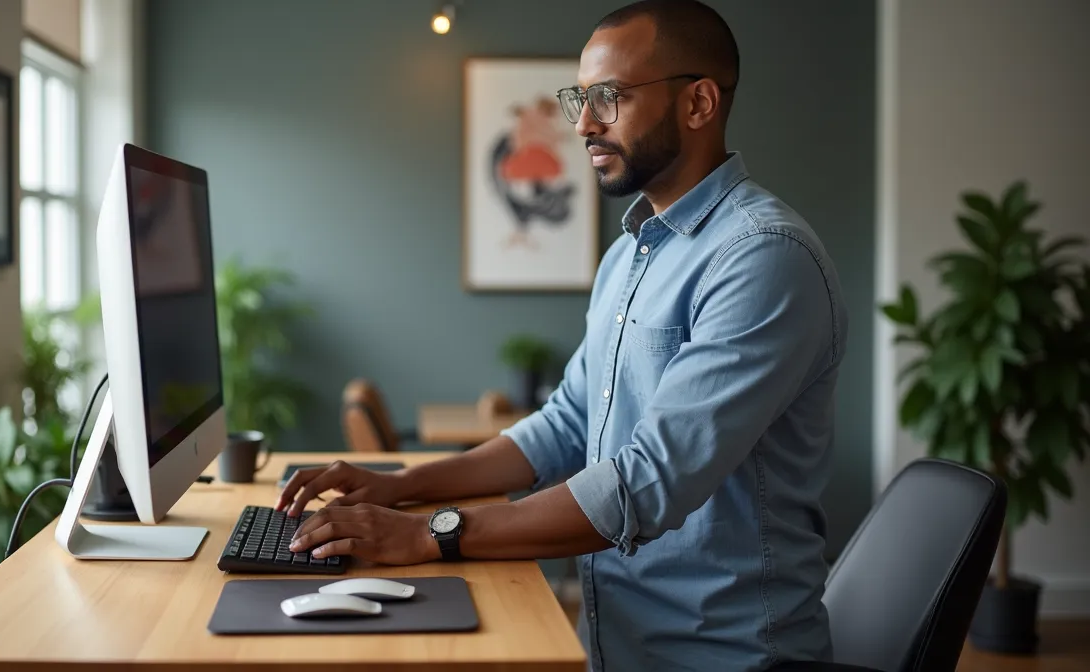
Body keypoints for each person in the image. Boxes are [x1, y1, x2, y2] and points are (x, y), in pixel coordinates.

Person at [277, 1, 848, 669]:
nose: (582, 124)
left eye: (609, 97)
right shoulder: (632, 253)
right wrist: (403, 485)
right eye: (580, 97)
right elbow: (566, 425)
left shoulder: (762, 256)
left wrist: (432, 533)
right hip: (618, 643)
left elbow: (649, 480)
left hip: (724, 656)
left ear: (698, 103)